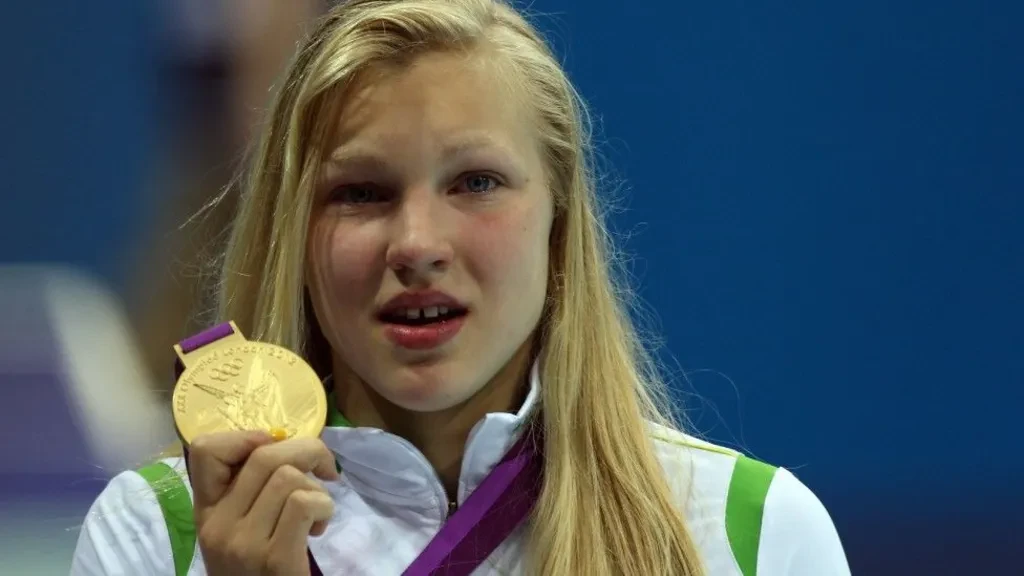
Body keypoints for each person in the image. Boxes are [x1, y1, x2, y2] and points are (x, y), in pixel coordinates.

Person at [70, 0, 850, 574]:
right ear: (293, 233)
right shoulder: (158, 535)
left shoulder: (749, 535)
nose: (417, 244)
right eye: (362, 192)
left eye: (476, 182)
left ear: (559, 222)